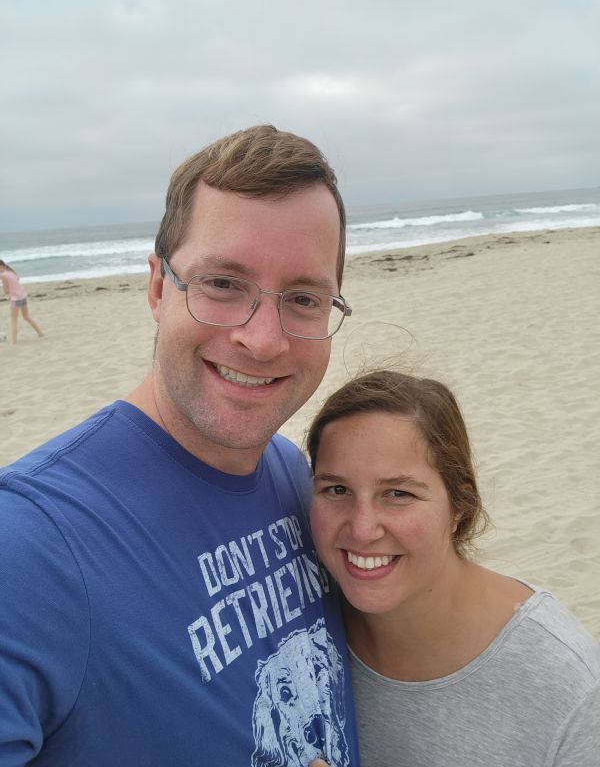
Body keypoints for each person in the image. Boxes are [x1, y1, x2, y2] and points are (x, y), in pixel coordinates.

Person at [0, 125, 360, 766]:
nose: (264, 340)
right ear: (159, 288)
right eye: (223, 284)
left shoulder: (291, 474)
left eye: (303, 299)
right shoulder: (32, 544)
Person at [308, 370, 600, 767]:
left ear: (460, 506)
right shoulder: (301, 628)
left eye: (398, 493)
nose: (362, 528)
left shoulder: (568, 687)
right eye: (336, 490)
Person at [0, 260, 44, 344]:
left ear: (1, 266)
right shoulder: (11, 271)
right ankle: (40, 333)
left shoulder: (3, 275)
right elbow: (16, 279)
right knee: (27, 317)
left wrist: (7, 292)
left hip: (15, 299)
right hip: (23, 296)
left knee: (13, 320)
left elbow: (6, 291)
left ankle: (14, 342)